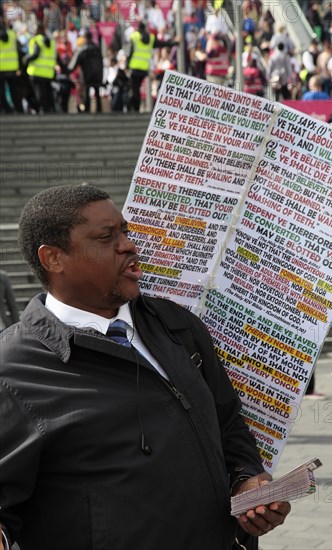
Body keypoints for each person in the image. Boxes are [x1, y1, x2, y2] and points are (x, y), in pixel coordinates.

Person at [0, 183, 291, 550]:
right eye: (106, 237)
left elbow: (228, 423)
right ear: (53, 258)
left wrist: (246, 480)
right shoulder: (12, 369)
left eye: (125, 231)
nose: (128, 245)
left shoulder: (177, 325)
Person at [127, 21, 178, 112]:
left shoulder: (134, 37)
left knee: (134, 88)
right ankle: (137, 108)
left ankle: (135, 109)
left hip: (134, 67)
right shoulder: (151, 38)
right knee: (137, 88)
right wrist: (174, 43)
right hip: (144, 68)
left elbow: (130, 52)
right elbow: (162, 44)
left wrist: (127, 65)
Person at [23, 22, 57, 113]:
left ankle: (44, 109)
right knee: (48, 92)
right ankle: (51, 109)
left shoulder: (36, 40)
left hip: (36, 71)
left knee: (40, 93)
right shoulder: (51, 41)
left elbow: (35, 54)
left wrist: (26, 59)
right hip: (48, 72)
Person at [67, 30, 104, 113]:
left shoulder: (83, 49)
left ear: (85, 38)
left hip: (87, 74)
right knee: (97, 91)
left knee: (87, 91)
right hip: (97, 74)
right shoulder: (97, 49)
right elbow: (101, 63)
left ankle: (87, 110)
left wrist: (67, 71)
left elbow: (74, 63)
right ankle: (99, 110)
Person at [0, 16, 24, 113]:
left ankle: (7, 110)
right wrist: (20, 67)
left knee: (1, 93)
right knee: (15, 91)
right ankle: (20, 110)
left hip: (1, 69)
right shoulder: (12, 34)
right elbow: (19, 51)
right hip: (13, 69)